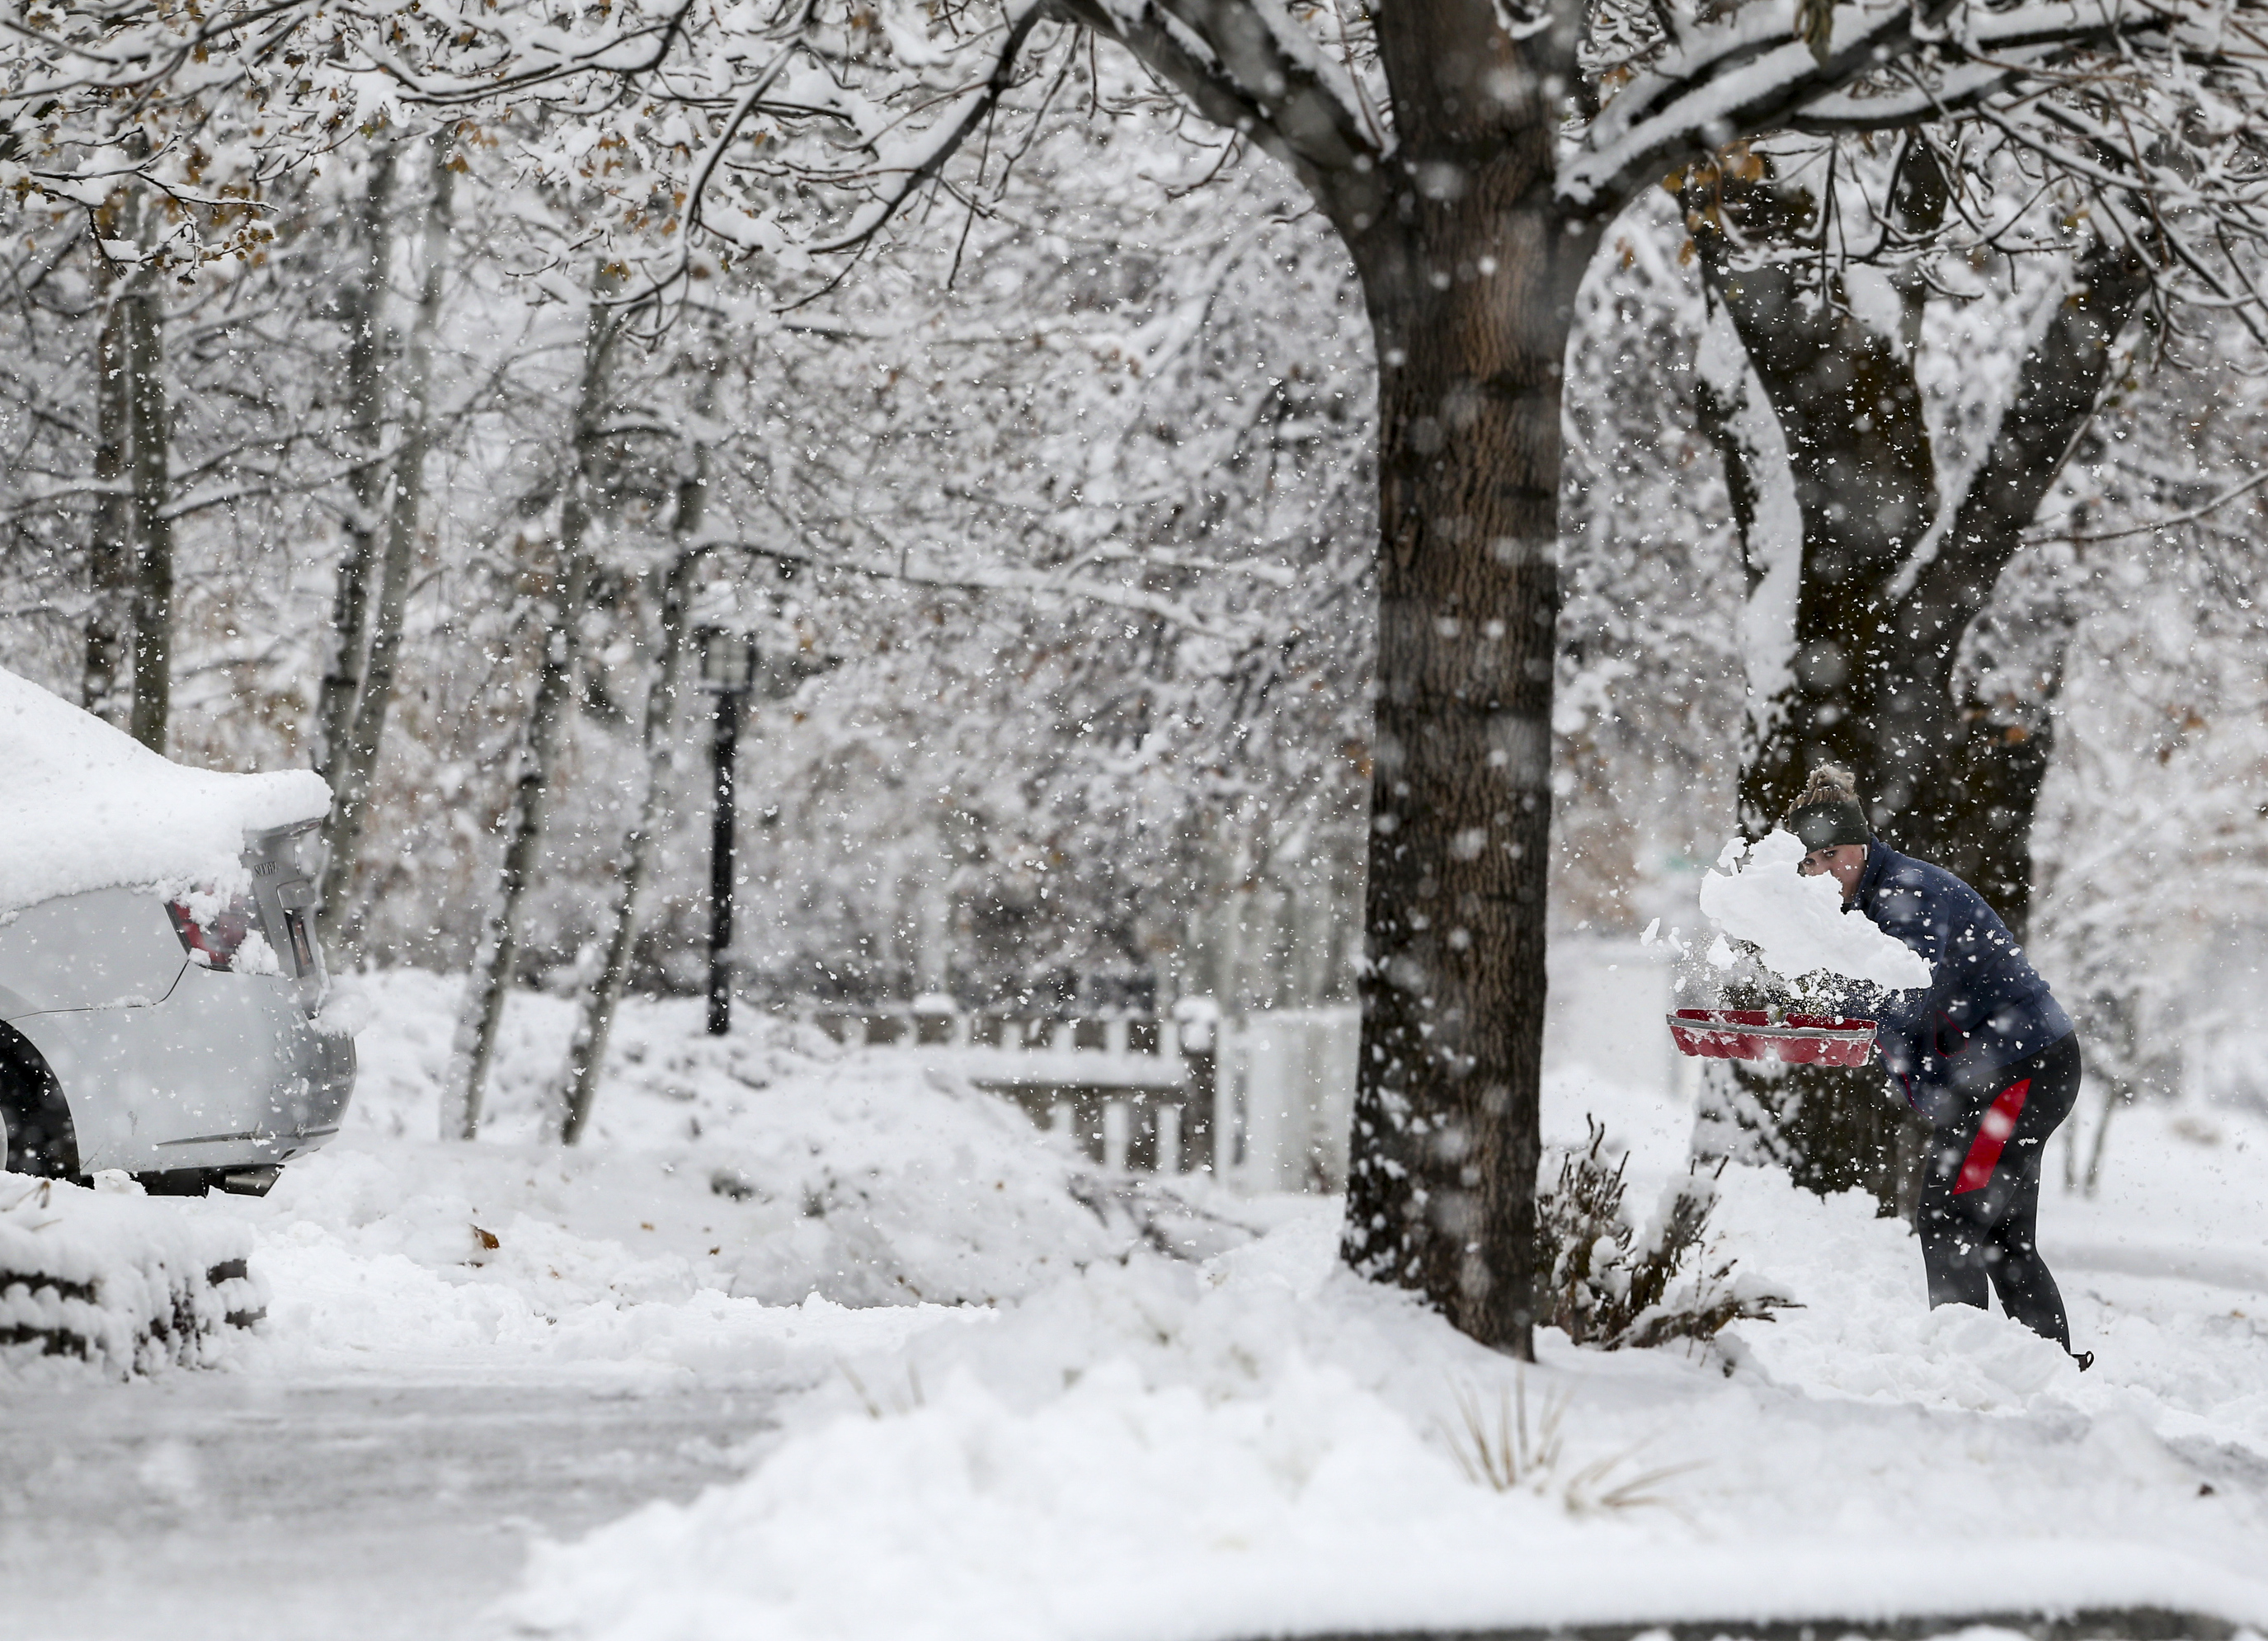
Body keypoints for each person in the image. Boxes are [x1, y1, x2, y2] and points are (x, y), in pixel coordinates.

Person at [1785, 763, 2092, 1369]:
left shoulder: (1905, 895)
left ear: (1858, 846)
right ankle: (2051, 1370)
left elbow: (1904, 996)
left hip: (2019, 1075)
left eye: (1831, 857)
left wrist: (1822, 997)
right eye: (1809, 864)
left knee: (1948, 1217)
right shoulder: (1858, 909)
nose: (1822, 873)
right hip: (2014, 1072)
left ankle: (1965, 1366)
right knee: (2003, 1237)